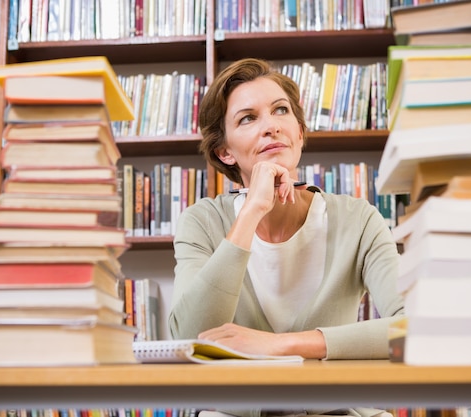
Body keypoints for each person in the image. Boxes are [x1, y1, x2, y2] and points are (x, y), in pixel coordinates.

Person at [168, 58, 403, 417]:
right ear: (224, 151)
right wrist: (250, 212)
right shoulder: (201, 222)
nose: (271, 127)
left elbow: (412, 328)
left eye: (281, 111)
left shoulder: (359, 219)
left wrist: (280, 345)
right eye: (248, 118)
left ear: (299, 133)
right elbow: (190, 338)